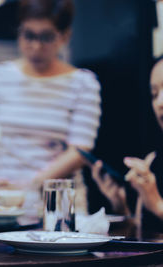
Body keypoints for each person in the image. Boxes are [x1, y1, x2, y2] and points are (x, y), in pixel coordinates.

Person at [0, 0, 101, 194]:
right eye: (29, 35)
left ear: (65, 36)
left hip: (56, 199)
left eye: (46, 37)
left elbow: (79, 151)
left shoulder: (83, 83)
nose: (36, 46)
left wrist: (31, 185)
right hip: (2, 195)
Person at [91, 57, 163, 231]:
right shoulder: (153, 161)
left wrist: (157, 204)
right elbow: (141, 240)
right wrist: (120, 205)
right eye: (154, 94)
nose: (160, 103)